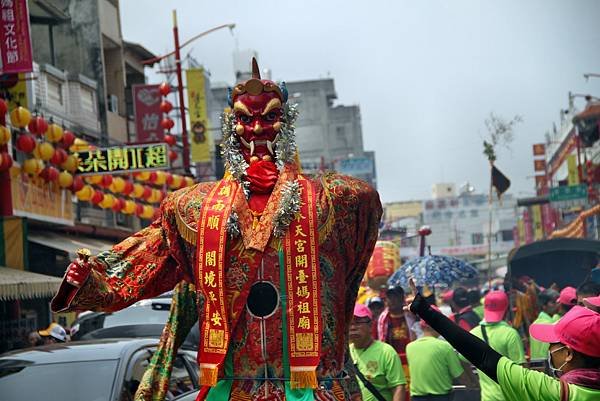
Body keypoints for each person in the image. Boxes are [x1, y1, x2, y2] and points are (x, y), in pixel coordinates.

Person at [51, 58, 382, 401]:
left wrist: (287, 185)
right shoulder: (195, 208)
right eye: (244, 118)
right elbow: (146, 258)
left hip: (313, 386)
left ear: (287, 124)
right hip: (234, 385)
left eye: (269, 118)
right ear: (231, 125)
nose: (256, 129)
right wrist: (92, 277)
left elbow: (366, 212)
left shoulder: (334, 199)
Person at [408, 279, 600, 401]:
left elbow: (483, 357)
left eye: (554, 344)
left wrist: (427, 312)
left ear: (568, 354)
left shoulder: (557, 393)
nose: (550, 349)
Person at [406, 305, 474, 401]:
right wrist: (472, 386)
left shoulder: (410, 348)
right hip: (441, 397)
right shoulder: (445, 347)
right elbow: (460, 375)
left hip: (417, 398)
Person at [469, 291, 525, 401]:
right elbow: (521, 371)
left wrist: (473, 381)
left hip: (487, 398)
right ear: (506, 309)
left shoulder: (473, 333)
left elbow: (461, 359)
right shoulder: (510, 334)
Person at [350, 303, 406, 401]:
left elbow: (398, 387)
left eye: (358, 322)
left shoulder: (386, 352)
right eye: (349, 323)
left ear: (370, 325)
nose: (353, 327)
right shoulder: (345, 353)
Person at [529, 289, 559, 360]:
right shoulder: (550, 325)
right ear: (544, 306)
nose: (557, 305)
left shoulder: (534, 323)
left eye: (557, 302)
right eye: (553, 302)